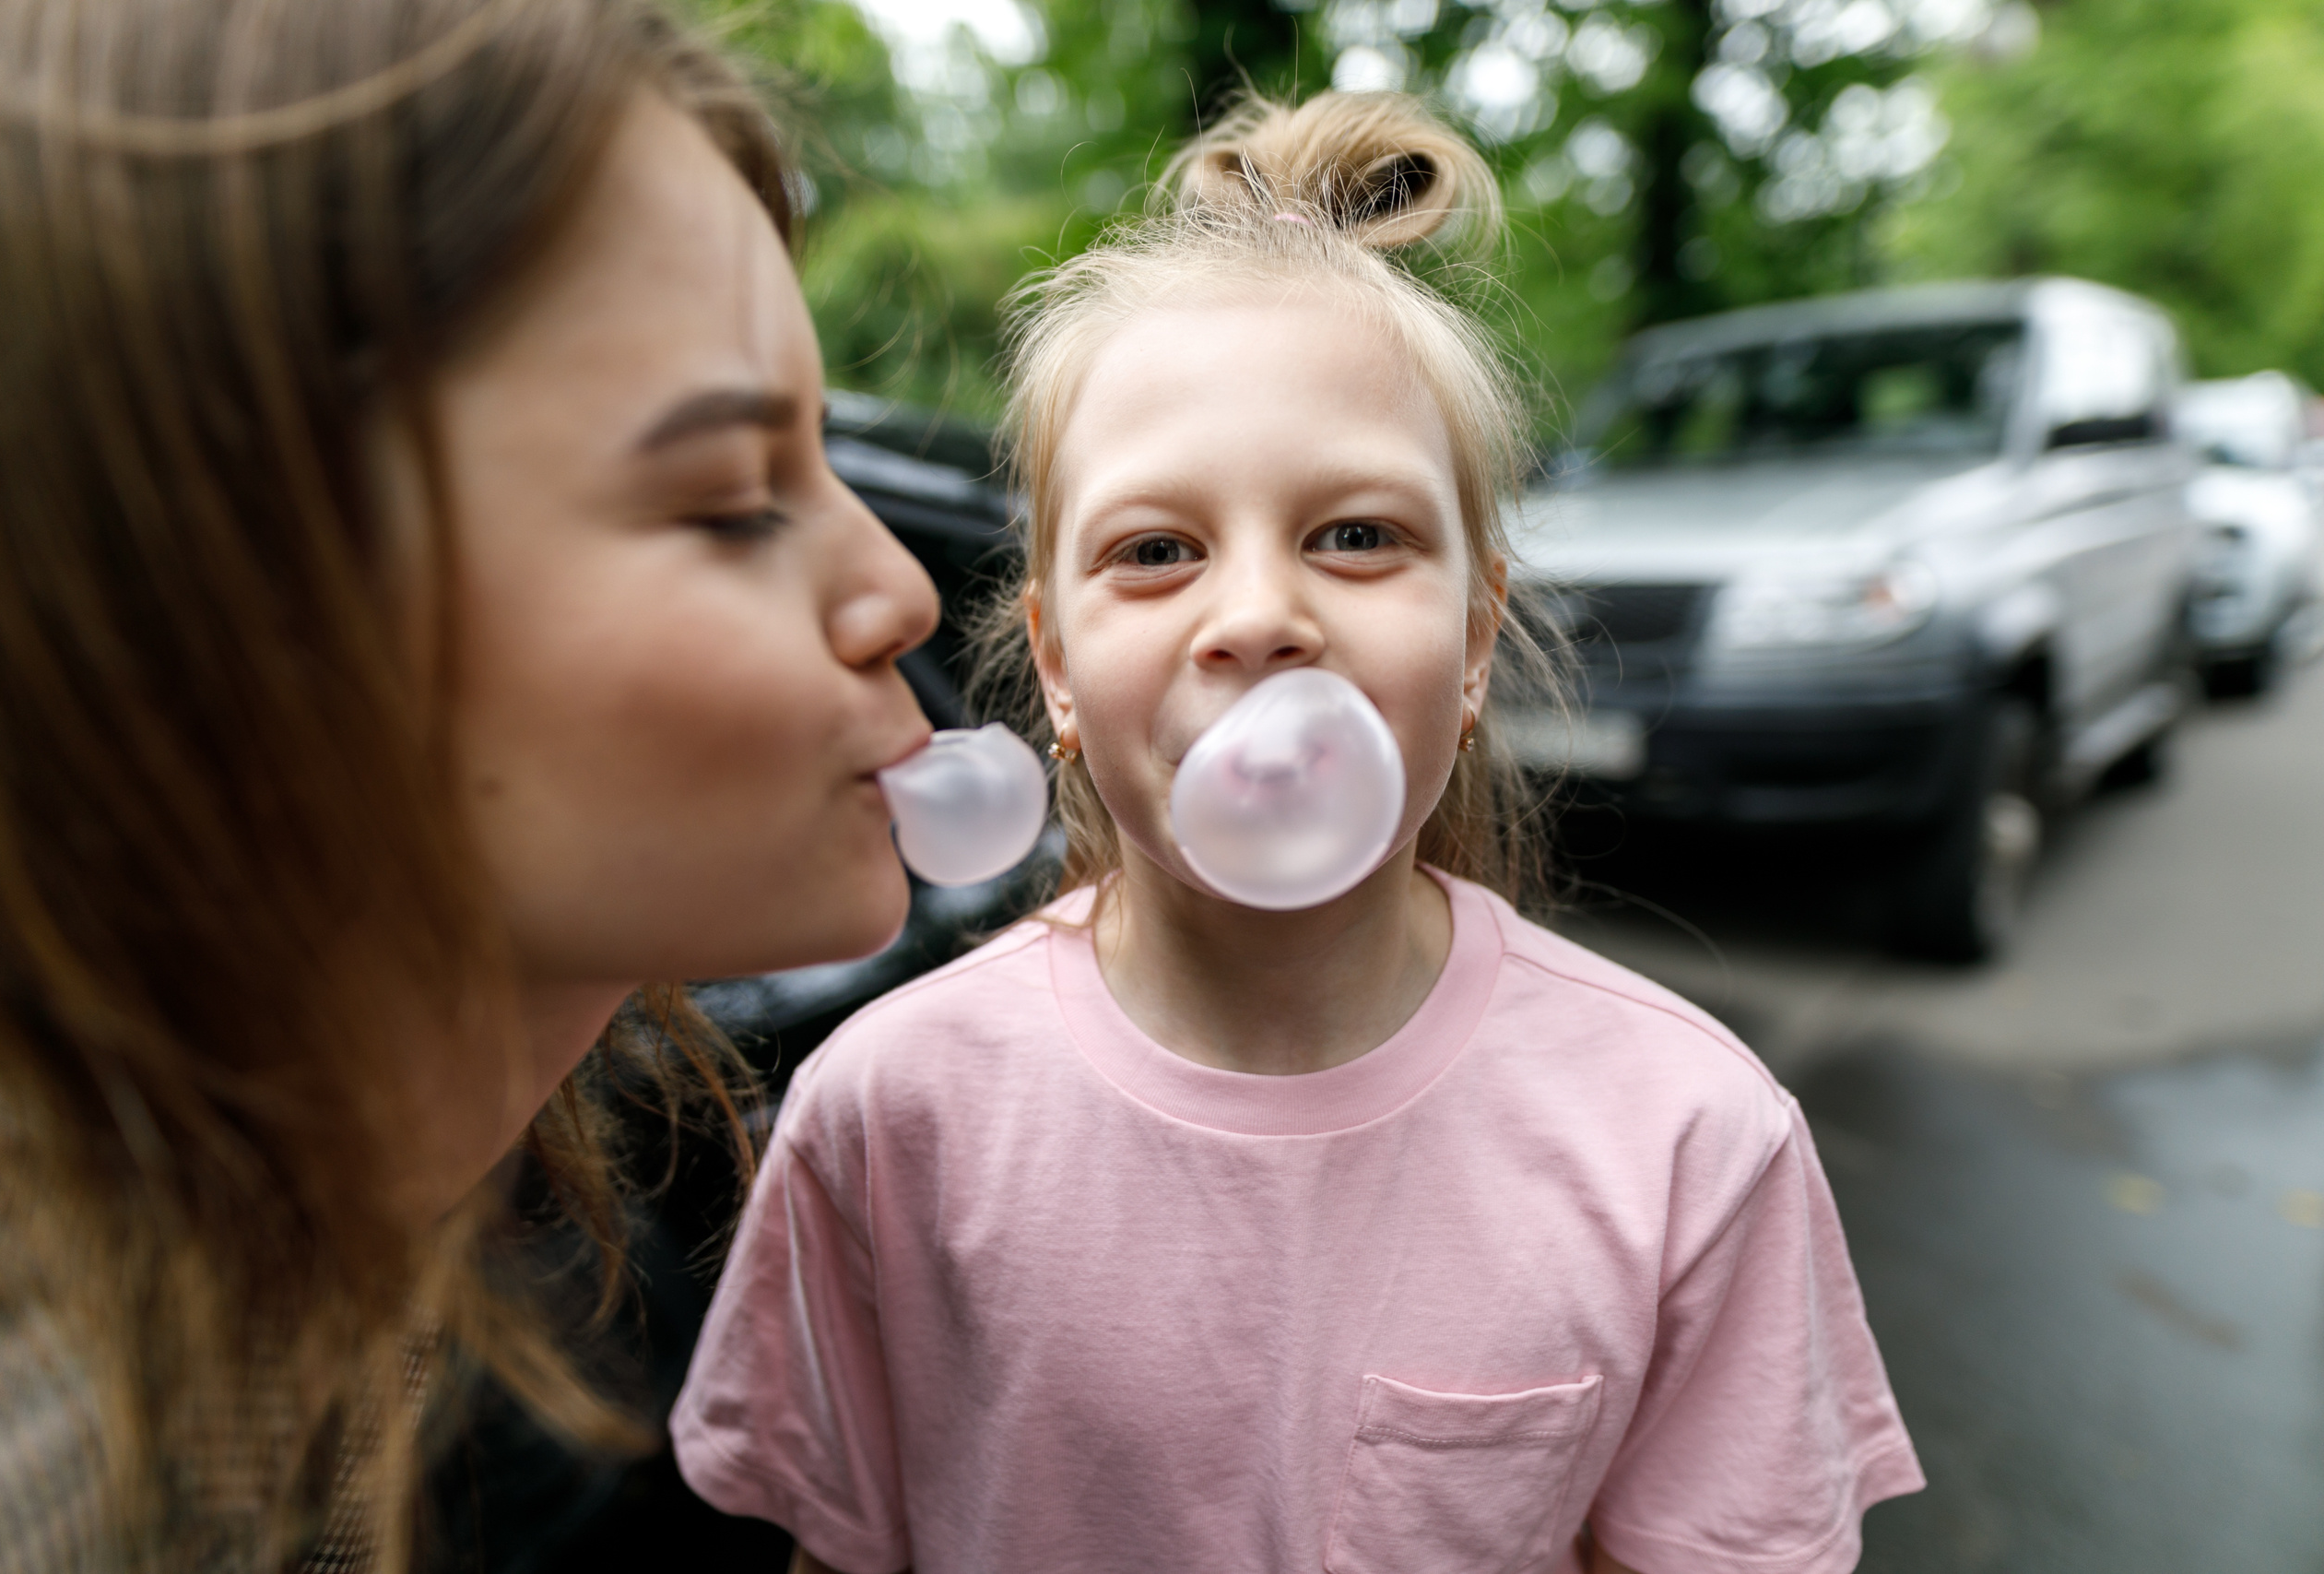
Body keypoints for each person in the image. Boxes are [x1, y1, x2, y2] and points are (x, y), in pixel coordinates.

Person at [673, 89, 1926, 1574]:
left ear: (1473, 644)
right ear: (1058, 667)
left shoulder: (1688, 1140)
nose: (1262, 616)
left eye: (1356, 535)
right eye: (1155, 553)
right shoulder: (886, 1115)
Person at [0, 1, 938, 1569]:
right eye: (734, 497)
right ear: (232, 594)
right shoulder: (24, 1447)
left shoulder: (297, 1243)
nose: (898, 591)